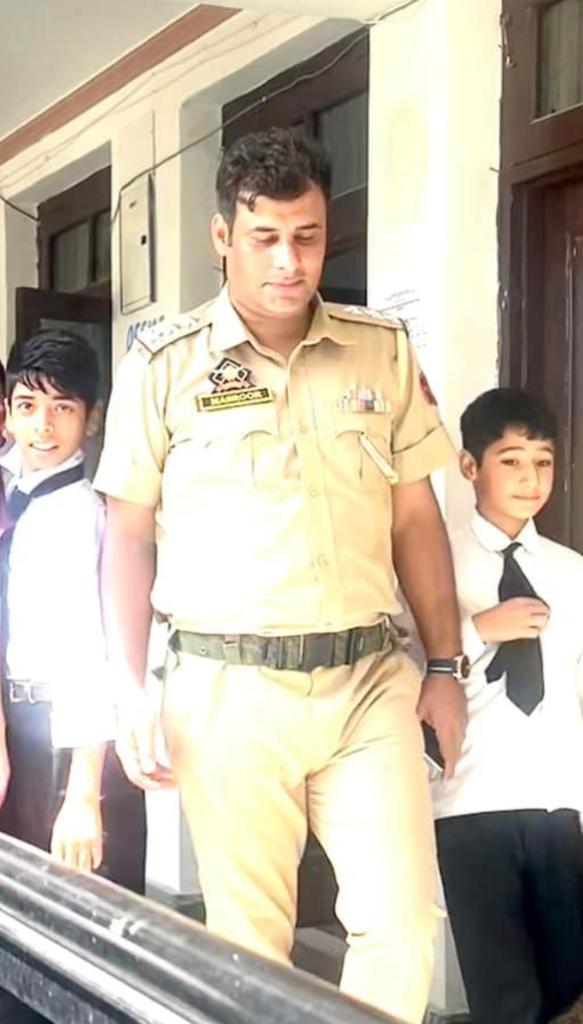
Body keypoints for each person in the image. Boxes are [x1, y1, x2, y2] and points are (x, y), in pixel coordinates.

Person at [94, 126, 467, 1024]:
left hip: (366, 682)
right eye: (265, 238)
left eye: (307, 237)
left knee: (403, 929)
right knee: (249, 949)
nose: (289, 262)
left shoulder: (381, 349)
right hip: (227, 690)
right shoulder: (164, 365)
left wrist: (445, 665)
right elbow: (126, 534)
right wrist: (128, 688)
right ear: (222, 236)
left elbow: (415, 519)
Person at [433, 388, 583, 1024]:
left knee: (569, 987)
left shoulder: (572, 572)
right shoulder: (434, 566)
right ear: (471, 466)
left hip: (559, 801)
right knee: (504, 997)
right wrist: (476, 631)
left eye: (543, 462)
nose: (531, 479)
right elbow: (402, 675)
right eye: (512, 461)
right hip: (471, 801)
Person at [0, 329, 146, 894]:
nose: (43, 426)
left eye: (63, 408)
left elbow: (92, 652)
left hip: (72, 739)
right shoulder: (15, 494)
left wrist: (84, 791)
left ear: (92, 419)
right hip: (20, 729)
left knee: (77, 910)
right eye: (28, 406)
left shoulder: (85, 517)